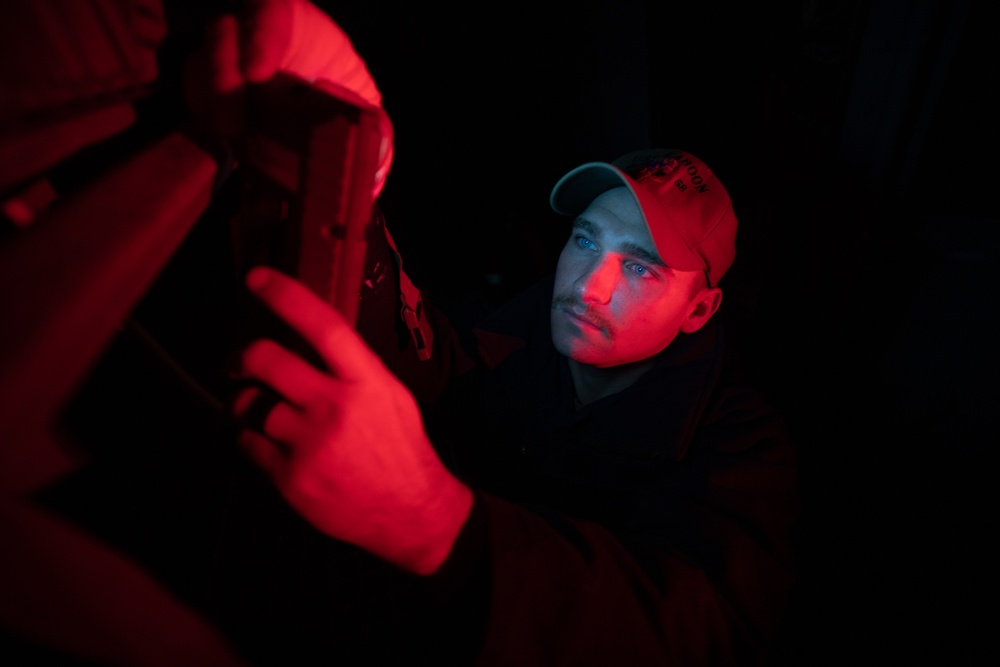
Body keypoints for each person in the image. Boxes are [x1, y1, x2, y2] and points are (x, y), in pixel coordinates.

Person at [190, 1, 798, 664]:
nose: (588, 284)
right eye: (585, 240)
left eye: (641, 267)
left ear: (699, 312)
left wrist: (434, 520)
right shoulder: (524, 330)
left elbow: (699, 630)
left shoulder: (742, 449)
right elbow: (431, 359)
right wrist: (347, 185)